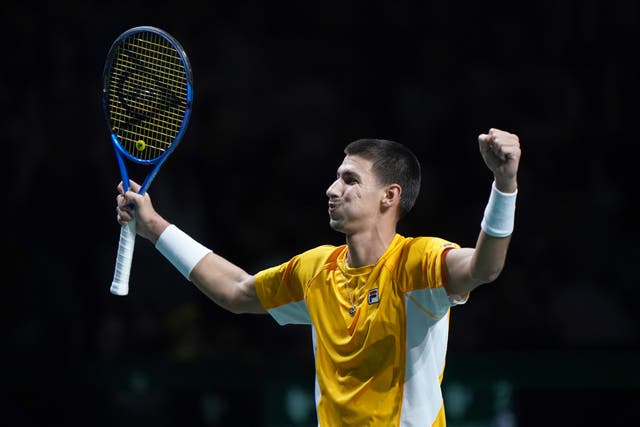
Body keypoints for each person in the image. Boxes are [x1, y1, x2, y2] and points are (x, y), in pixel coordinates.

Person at [115, 127, 521, 426]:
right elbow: (237, 291)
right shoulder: (317, 270)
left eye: (350, 180)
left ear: (390, 196)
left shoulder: (417, 264)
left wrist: (504, 185)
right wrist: (154, 228)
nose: (331, 189)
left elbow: (485, 268)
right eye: (335, 177)